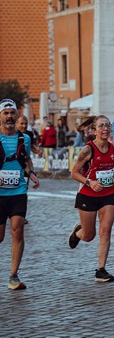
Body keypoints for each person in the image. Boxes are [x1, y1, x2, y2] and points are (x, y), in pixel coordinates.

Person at [68, 115, 114, 282]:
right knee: (89, 236)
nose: (105, 129)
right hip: (87, 195)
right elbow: (74, 173)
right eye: (101, 126)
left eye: (107, 126)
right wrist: (90, 182)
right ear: (94, 130)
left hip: (107, 195)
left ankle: (101, 269)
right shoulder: (88, 150)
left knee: (106, 231)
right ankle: (78, 233)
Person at [0, 99, 40, 290]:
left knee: (18, 230)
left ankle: (13, 275)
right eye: (6, 113)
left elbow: (26, 160)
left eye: (12, 113)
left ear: (17, 115)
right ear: (0, 115)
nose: (9, 116)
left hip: (18, 191)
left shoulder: (25, 139)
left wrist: (31, 173)